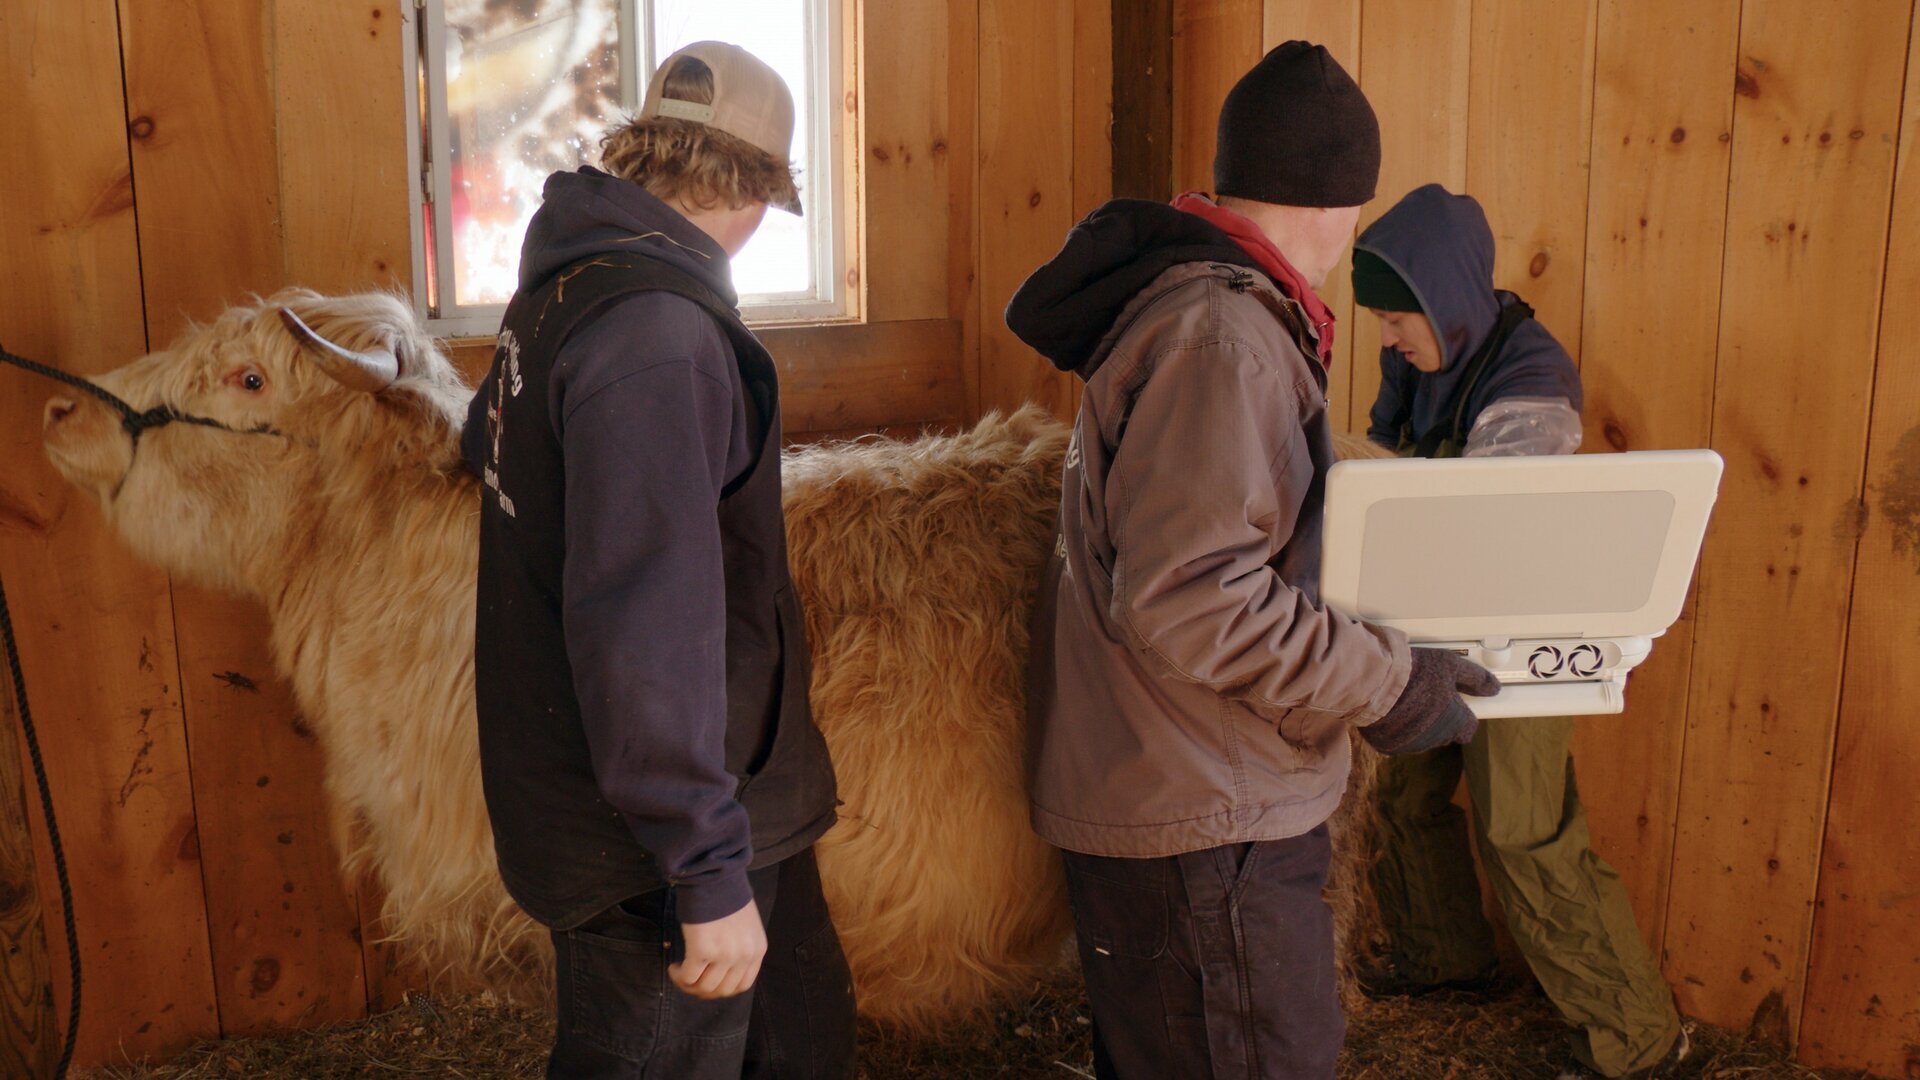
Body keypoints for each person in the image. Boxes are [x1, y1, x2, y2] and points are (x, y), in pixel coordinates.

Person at [1006, 43, 1502, 1080]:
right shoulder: (1224, 336)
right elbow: (1191, 597)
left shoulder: (1198, 310)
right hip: (1203, 816)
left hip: (1182, 795)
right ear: (1340, 204)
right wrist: (1387, 680)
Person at [461, 41, 855, 1080]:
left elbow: (484, 445)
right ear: (761, 190)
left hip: (712, 794)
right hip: (655, 842)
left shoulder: (560, 285)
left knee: (801, 1036)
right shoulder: (657, 337)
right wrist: (705, 869)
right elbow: (645, 626)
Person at [1353, 182, 1688, 1077]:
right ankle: (1445, 962)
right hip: (1432, 618)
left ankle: (1639, 1039)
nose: (1384, 338)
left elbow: (1495, 529)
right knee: (1404, 794)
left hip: (1522, 632)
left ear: (1444, 299)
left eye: (1395, 318)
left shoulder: (1532, 384)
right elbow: (1389, 469)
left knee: (1524, 833)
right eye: (1380, 320)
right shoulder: (1421, 360)